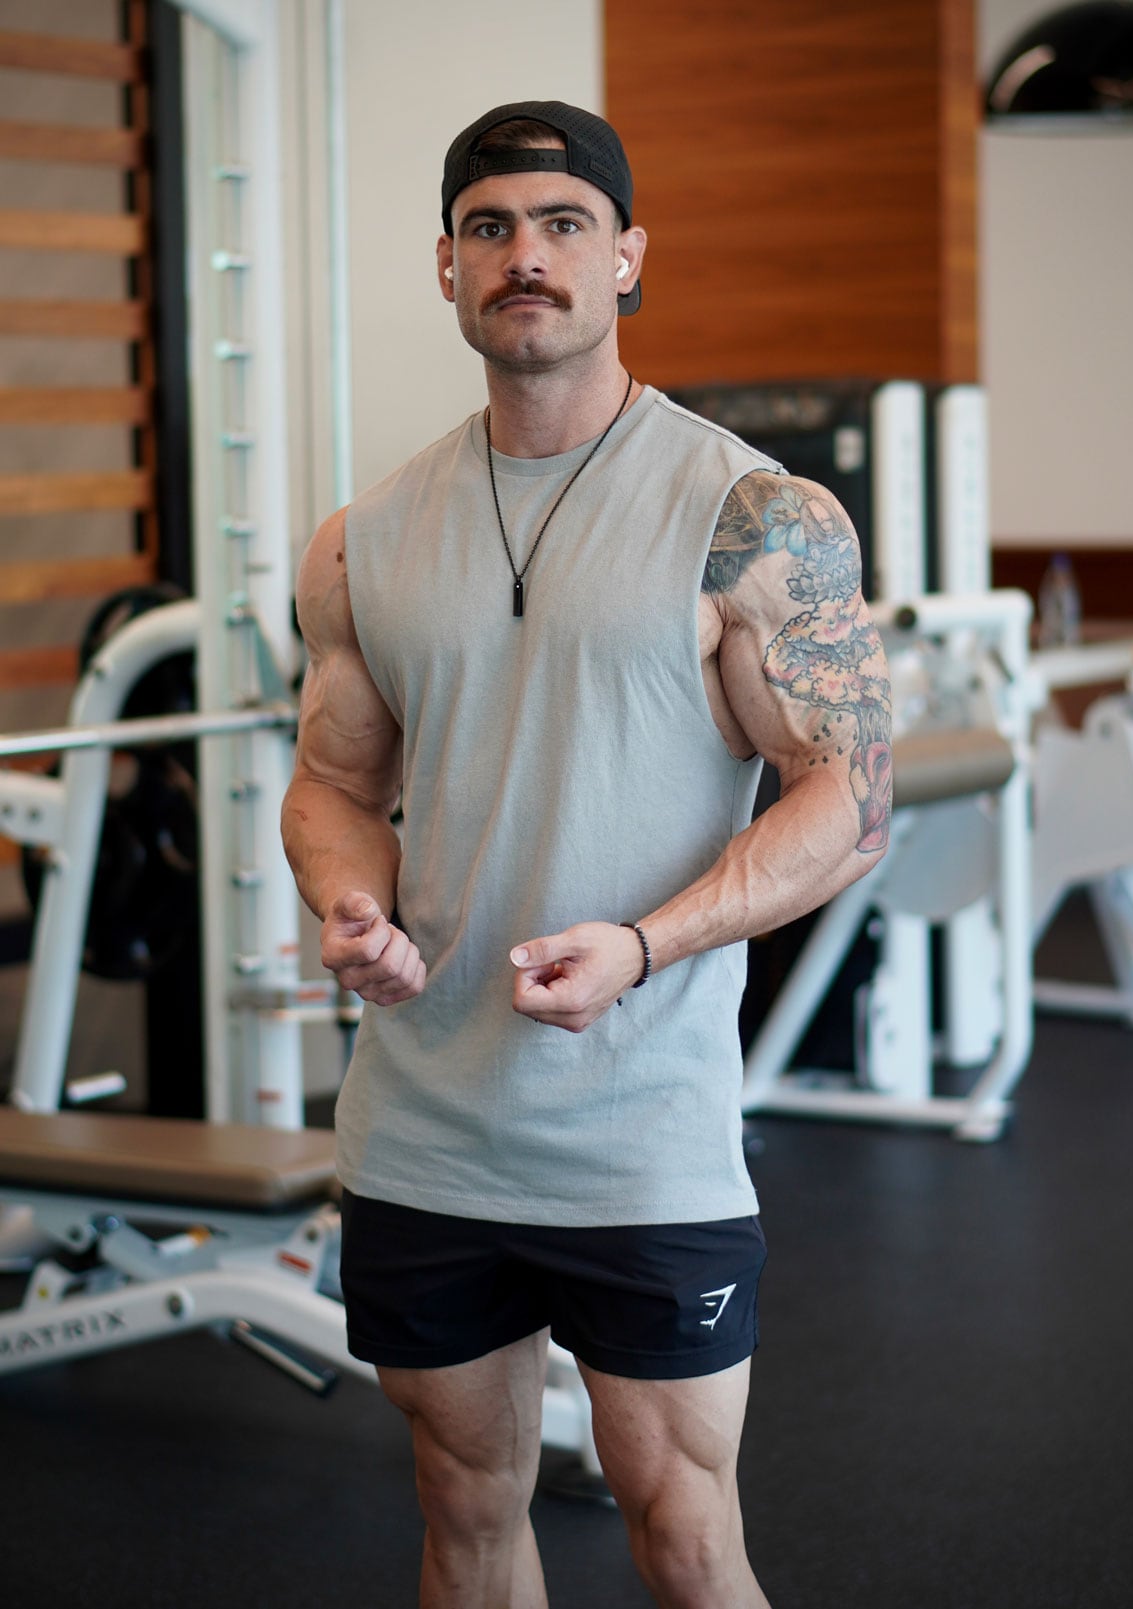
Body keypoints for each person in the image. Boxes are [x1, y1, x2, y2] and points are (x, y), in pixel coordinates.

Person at [282, 99, 892, 1609]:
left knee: (683, 1528)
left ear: (626, 257)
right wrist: (348, 896)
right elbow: (330, 782)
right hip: (425, 1122)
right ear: (446, 267)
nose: (525, 257)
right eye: (489, 228)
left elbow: (849, 800)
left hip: (641, 1129)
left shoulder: (754, 514)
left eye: (562, 225)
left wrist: (645, 944)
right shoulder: (367, 536)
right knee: (463, 1508)